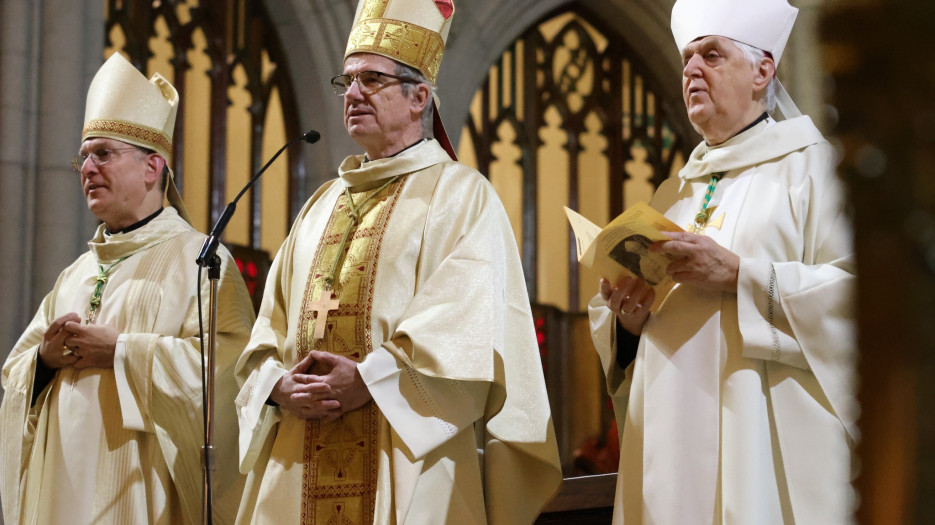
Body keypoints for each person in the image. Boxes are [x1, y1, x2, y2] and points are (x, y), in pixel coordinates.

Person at [233, 0, 562, 523]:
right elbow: (264, 335)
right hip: (299, 455)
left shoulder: (459, 194)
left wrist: (368, 379)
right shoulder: (319, 207)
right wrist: (276, 384)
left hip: (404, 453)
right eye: (347, 82)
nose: (355, 93)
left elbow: (465, 325)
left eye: (372, 79)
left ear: (420, 98)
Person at [588, 0, 857, 523]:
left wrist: (741, 276)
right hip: (668, 444)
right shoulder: (674, 193)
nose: (691, 69)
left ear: (763, 71)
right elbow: (630, 340)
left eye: (712, 55)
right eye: (688, 57)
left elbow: (861, 302)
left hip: (760, 435)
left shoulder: (813, 169)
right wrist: (627, 322)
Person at [0, 53, 255, 524]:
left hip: (144, 495)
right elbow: (14, 373)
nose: (87, 168)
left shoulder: (200, 260)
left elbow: (231, 373)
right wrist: (43, 361)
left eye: (103, 154)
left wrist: (122, 352)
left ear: (152, 167)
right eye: (82, 158)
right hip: (60, 491)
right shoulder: (74, 274)